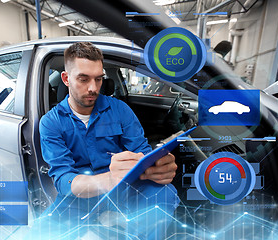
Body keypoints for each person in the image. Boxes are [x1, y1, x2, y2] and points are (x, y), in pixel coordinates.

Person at [36, 42, 179, 239]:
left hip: (123, 190)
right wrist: (110, 179)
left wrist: (159, 166)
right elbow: (63, 180)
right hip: (79, 198)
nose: (93, 88)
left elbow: (142, 152)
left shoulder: (120, 110)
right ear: (66, 79)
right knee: (40, 232)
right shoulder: (51, 122)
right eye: (83, 79)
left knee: (164, 192)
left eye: (98, 79)